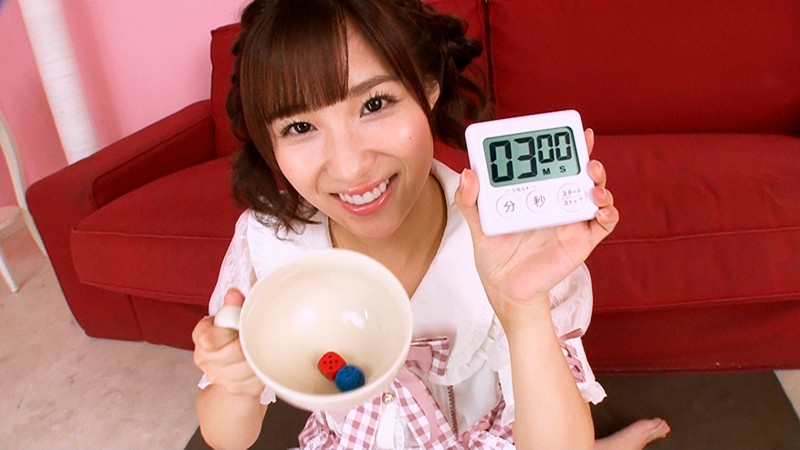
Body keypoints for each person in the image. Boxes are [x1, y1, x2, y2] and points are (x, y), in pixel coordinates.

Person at [192, 0, 670, 448]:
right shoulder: (271, 246)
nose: (351, 167)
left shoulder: (510, 240)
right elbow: (225, 438)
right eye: (299, 127)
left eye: (374, 104)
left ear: (428, 87)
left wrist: (522, 309)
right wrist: (236, 383)